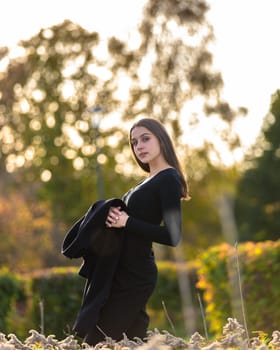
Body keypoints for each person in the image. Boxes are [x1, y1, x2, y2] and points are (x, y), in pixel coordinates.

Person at [82, 117, 189, 345]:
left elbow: (173, 235)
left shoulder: (168, 179)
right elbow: (127, 221)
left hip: (136, 276)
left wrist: (126, 221)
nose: (139, 146)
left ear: (161, 139)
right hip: (122, 272)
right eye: (134, 142)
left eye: (145, 139)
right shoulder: (148, 180)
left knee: (98, 341)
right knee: (131, 342)